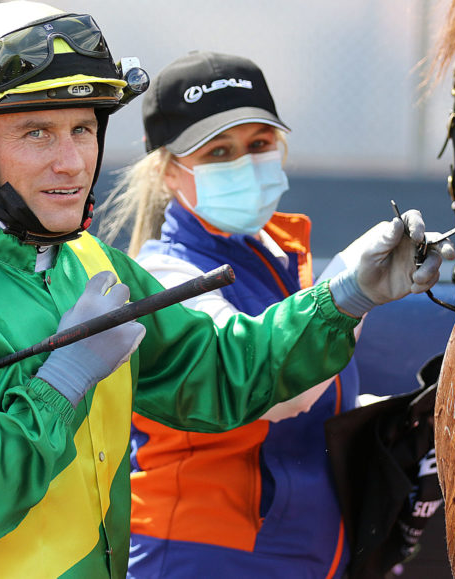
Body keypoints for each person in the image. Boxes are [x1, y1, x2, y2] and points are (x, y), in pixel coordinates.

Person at [0, 2, 452, 577]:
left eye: (82, 129)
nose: (72, 161)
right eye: (37, 133)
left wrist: (347, 295)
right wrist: (62, 381)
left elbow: (218, 373)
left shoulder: (91, 263)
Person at [99, 51, 360, 577]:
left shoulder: (281, 256)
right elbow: (266, 391)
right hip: (200, 554)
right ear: (168, 172)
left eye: (259, 144)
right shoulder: (165, 275)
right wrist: (353, 296)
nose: (244, 163)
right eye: (219, 151)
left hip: (299, 554)